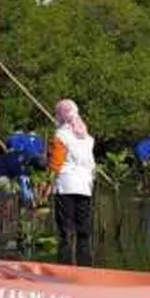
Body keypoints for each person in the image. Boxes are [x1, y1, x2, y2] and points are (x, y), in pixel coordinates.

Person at [47, 98, 96, 266]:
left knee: (66, 230)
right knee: (83, 229)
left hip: (66, 184)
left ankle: (65, 267)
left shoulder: (61, 135)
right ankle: (85, 268)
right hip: (85, 186)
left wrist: (48, 180)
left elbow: (56, 162)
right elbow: (91, 163)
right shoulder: (87, 137)